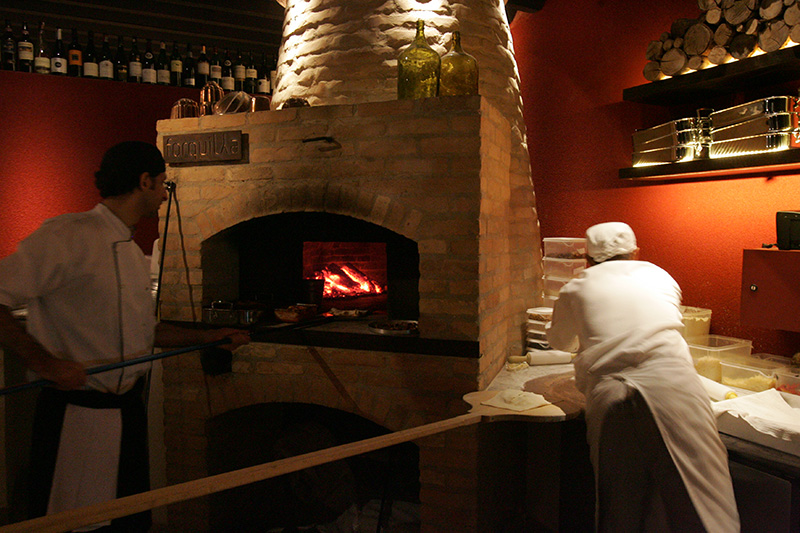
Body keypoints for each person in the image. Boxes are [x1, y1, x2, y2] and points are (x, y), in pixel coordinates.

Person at [0, 141, 250, 532]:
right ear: (144, 181)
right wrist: (45, 363)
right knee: (72, 526)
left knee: (129, 525)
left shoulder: (134, 256)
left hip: (127, 416)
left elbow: (146, 334)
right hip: (76, 418)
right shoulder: (67, 236)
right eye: (164, 184)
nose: (165, 194)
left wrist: (212, 337)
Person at [546, 222, 739, 533]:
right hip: (674, 387)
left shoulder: (577, 286)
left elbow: (559, 342)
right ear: (635, 253)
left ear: (587, 259)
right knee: (706, 507)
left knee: (621, 509)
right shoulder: (660, 276)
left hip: (610, 393)